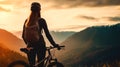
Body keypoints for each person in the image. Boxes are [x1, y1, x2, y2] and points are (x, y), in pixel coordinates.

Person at [22, 2, 60, 67]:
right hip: (40, 45)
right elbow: (47, 35)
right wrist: (54, 44)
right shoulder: (41, 21)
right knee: (40, 65)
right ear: (39, 10)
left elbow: (23, 36)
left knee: (32, 65)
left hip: (30, 46)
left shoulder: (26, 21)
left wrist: (29, 44)